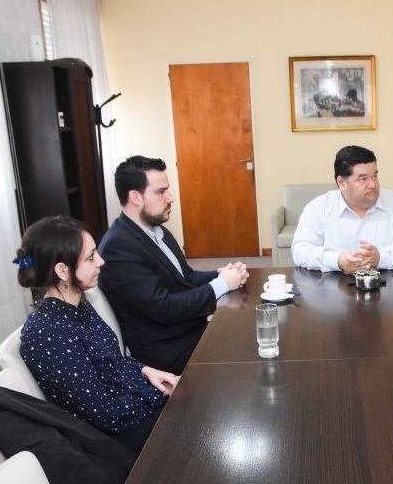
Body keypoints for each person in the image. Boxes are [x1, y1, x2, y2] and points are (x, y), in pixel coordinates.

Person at [16, 215, 178, 452]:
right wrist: (154, 395)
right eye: (91, 257)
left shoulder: (76, 302)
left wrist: (146, 371)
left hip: (129, 407)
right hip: (110, 438)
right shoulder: (47, 333)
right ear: (63, 271)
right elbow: (107, 415)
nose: (101, 261)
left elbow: (112, 362)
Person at [98, 155, 249, 374]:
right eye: (161, 191)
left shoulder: (157, 230)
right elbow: (164, 308)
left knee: (249, 328)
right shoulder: (118, 247)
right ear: (135, 197)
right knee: (247, 350)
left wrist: (220, 275)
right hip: (165, 350)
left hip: (185, 330)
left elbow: (184, 277)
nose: (170, 198)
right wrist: (222, 285)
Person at [292, 145, 393, 273]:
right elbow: (300, 251)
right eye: (363, 179)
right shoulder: (319, 207)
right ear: (342, 183)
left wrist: (381, 257)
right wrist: (337, 260)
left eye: (375, 175)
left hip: (389, 288)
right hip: (335, 289)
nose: (372, 184)